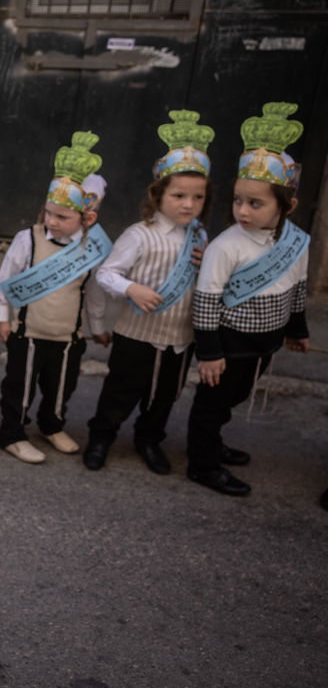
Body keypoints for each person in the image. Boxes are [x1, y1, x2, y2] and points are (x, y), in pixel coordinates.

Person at [185, 103, 311, 496]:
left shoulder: (296, 241)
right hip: (229, 342)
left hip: (265, 341)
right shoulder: (226, 245)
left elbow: (297, 285)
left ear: (287, 206)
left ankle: (212, 445)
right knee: (213, 404)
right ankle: (203, 464)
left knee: (234, 397)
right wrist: (209, 352)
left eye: (255, 203)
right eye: (238, 200)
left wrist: (297, 330)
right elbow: (206, 300)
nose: (242, 210)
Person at [86, 111, 213, 472]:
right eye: (179, 195)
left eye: (198, 197)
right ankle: (101, 437)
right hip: (137, 334)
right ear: (157, 195)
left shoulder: (200, 236)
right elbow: (106, 274)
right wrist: (132, 289)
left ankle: (149, 439)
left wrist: (207, 264)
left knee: (164, 396)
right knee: (120, 391)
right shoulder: (139, 234)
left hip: (179, 336)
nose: (188, 204)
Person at [0, 133, 112, 464]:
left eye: (62, 217)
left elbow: (94, 292)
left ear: (87, 219)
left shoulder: (89, 249)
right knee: (19, 387)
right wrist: (2, 317)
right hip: (28, 333)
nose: (52, 221)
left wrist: (97, 327)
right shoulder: (28, 239)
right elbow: (6, 279)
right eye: (49, 213)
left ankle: (52, 425)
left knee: (62, 387)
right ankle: (12, 434)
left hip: (68, 337)